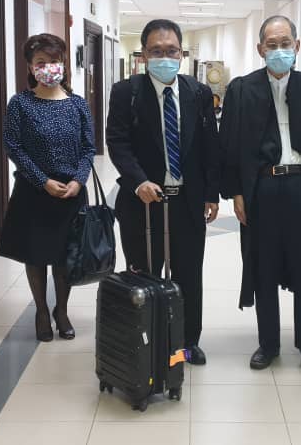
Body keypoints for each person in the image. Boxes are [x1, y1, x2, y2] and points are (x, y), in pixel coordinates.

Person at [220, 15, 301, 375]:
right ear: (260, 49)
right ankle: (268, 344)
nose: (279, 51)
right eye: (271, 45)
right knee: (263, 267)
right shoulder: (241, 90)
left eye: (285, 43)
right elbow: (230, 146)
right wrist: (237, 193)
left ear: (297, 46)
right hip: (262, 188)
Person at [105, 19, 221, 366]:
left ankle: (186, 344)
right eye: (156, 51)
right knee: (144, 273)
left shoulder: (198, 93)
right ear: (143, 55)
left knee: (188, 274)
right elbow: (118, 141)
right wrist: (138, 179)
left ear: (181, 54)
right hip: (141, 200)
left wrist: (211, 194)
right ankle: (146, 340)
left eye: (171, 51)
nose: (164, 57)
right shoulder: (126, 92)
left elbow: (209, 147)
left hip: (186, 200)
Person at [0, 34, 95, 342]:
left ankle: (61, 311)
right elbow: (14, 147)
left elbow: (89, 147)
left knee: (66, 257)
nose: (48, 67)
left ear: (63, 64)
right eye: (41, 62)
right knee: (36, 256)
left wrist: (78, 179)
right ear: (30, 67)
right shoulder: (21, 103)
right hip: (34, 192)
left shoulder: (78, 105)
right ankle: (41, 310)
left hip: (71, 193)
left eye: (54, 61)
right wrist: (42, 181)